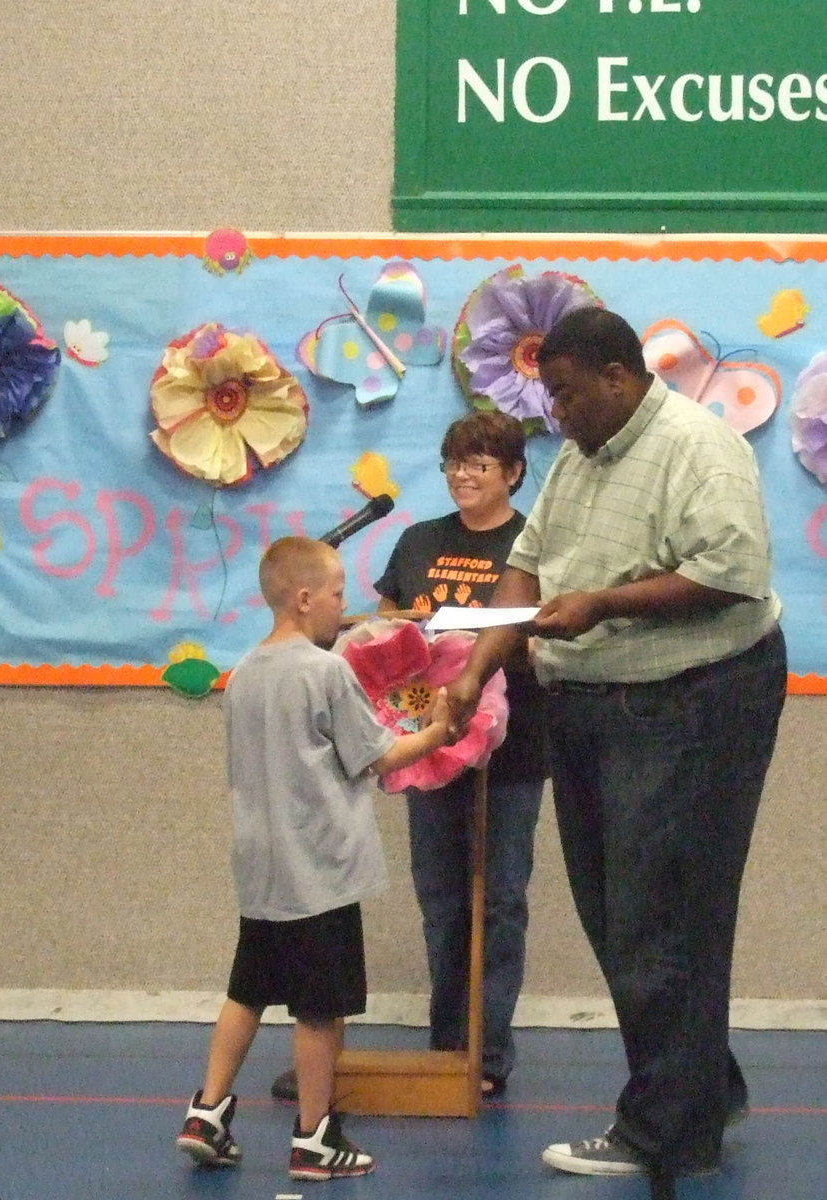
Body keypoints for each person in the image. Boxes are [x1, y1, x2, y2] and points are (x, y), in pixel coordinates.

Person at [446, 307, 787, 1180]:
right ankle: (700, 1085)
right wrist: (484, 661)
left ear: (616, 375)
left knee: (659, 919)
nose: (554, 412)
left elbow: (727, 573)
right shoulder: (580, 457)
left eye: (562, 392)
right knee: (617, 914)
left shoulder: (699, 447)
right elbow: (526, 562)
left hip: (693, 701)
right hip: (595, 705)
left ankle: (667, 1132)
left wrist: (600, 603)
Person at [271, 410, 547, 1105]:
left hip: (512, 749)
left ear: (513, 472)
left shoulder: (534, 542)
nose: (463, 475)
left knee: (502, 898)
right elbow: (379, 637)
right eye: (455, 463)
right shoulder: (420, 541)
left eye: (480, 464)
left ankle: (488, 1050)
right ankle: (447, 1044)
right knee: (442, 898)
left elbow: (543, 633)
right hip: (426, 743)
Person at [176, 536, 451, 1180]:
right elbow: (378, 757)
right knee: (319, 1009)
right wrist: (438, 731)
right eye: (335, 594)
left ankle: (206, 1112)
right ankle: (314, 1137)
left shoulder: (243, 674)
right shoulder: (326, 672)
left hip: (261, 869)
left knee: (247, 991)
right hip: (319, 872)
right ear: (303, 599)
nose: (342, 606)